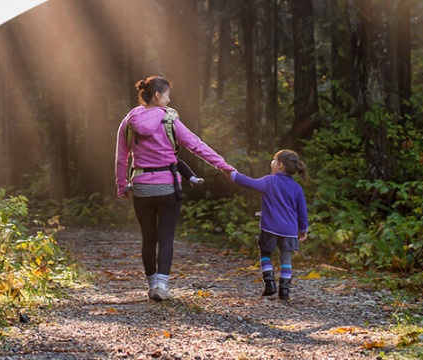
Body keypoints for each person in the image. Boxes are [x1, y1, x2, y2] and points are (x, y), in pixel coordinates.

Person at [115, 75, 237, 301]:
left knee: (148, 238)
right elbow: (196, 146)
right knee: (166, 238)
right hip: (168, 188)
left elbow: (122, 158)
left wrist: (122, 186)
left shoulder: (128, 121)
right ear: (158, 95)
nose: (169, 101)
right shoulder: (170, 120)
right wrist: (224, 166)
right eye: (168, 95)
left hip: (141, 187)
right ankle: (162, 285)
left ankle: (152, 286)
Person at [229, 150, 308, 301]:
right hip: (289, 231)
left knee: (265, 254)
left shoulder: (269, 181)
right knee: (286, 259)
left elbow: (250, 182)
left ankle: (270, 283)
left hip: (270, 228)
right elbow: (302, 212)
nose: (271, 162)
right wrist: (302, 229)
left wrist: (233, 175)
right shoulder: (297, 188)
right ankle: (284, 291)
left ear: (280, 165)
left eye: (274, 160)